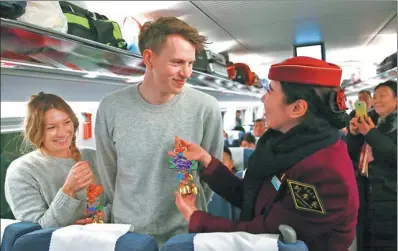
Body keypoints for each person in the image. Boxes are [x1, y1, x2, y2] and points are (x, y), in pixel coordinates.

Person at [171, 57, 359, 251]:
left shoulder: (324, 172)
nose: (263, 98)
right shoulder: (285, 145)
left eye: (270, 91)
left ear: (297, 108)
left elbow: (267, 234)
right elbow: (252, 196)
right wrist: (206, 159)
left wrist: (196, 218)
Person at [95, 17, 224, 244]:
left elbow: (210, 175)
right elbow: (109, 174)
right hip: (130, 235)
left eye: (191, 63)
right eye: (177, 62)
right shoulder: (111, 107)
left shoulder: (206, 107)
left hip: (185, 236)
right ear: (149, 58)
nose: (186, 73)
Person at [4, 92, 109, 228]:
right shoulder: (21, 171)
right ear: (36, 131)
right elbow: (35, 234)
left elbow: (117, 203)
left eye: (66, 122)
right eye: (51, 127)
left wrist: (101, 217)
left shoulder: (94, 157)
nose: (62, 132)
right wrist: (68, 190)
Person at [346, 80, 397, 251]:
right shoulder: (368, 120)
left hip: (390, 197)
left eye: (383, 96)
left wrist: (371, 134)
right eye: (375, 96)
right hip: (365, 194)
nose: (377, 100)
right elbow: (352, 153)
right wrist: (354, 134)